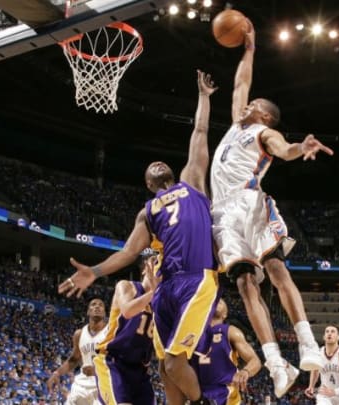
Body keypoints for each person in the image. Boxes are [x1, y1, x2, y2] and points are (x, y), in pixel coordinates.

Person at [59, 70, 220, 405]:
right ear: (148, 184)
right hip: (165, 286)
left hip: (195, 279)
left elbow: (200, 132)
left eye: (160, 162)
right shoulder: (147, 211)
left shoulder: (191, 182)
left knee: (175, 361)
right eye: (151, 166)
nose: (157, 163)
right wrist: (96, 271)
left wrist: (204, 96)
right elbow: (130, 252)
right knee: (165, 368)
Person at [209, 19, 334, 397]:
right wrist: (248, 49)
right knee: (246, 284)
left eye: (255, 104)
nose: (248, 103)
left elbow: (284, 150)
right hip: (222, 214)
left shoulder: (263, 132)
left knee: (276, 270)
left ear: (264, 115)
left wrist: (301, 148)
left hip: (249, 203)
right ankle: (277, 363)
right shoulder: (235, 125)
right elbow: (240, 84)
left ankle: (307, 342)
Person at [92, 254, 158, 405]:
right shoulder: (127, 286)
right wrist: (153, 293)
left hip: (140, 370)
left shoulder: (162, 302)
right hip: (113, 361)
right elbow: (127, 311)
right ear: (145, 270)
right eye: (155, 262)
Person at [196, 298, 262, 405]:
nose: (217, 301)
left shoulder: (230, 331)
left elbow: (255, 360)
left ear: (225, 314)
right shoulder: (195, 333)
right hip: (198, 394)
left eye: (221, 301)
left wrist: (245, 371)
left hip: (225, 393)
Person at [47, 298, 107, 405]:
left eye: (100, 305)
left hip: (103, 383)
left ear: (104, 312)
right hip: (82, 383)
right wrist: (57, 373)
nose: (97, 306)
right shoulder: (79, 334)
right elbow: (73, 359)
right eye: (93, 304)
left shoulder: (111, 332)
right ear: (88, 311)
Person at [304, 325, 339, 405]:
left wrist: (334, 392)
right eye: (327, 331)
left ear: (338, 337)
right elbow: (315, 370)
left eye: (333, 331)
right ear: (324, 337)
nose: (329, 334)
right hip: (325, 395)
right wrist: (311, 386)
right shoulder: (319, 353)